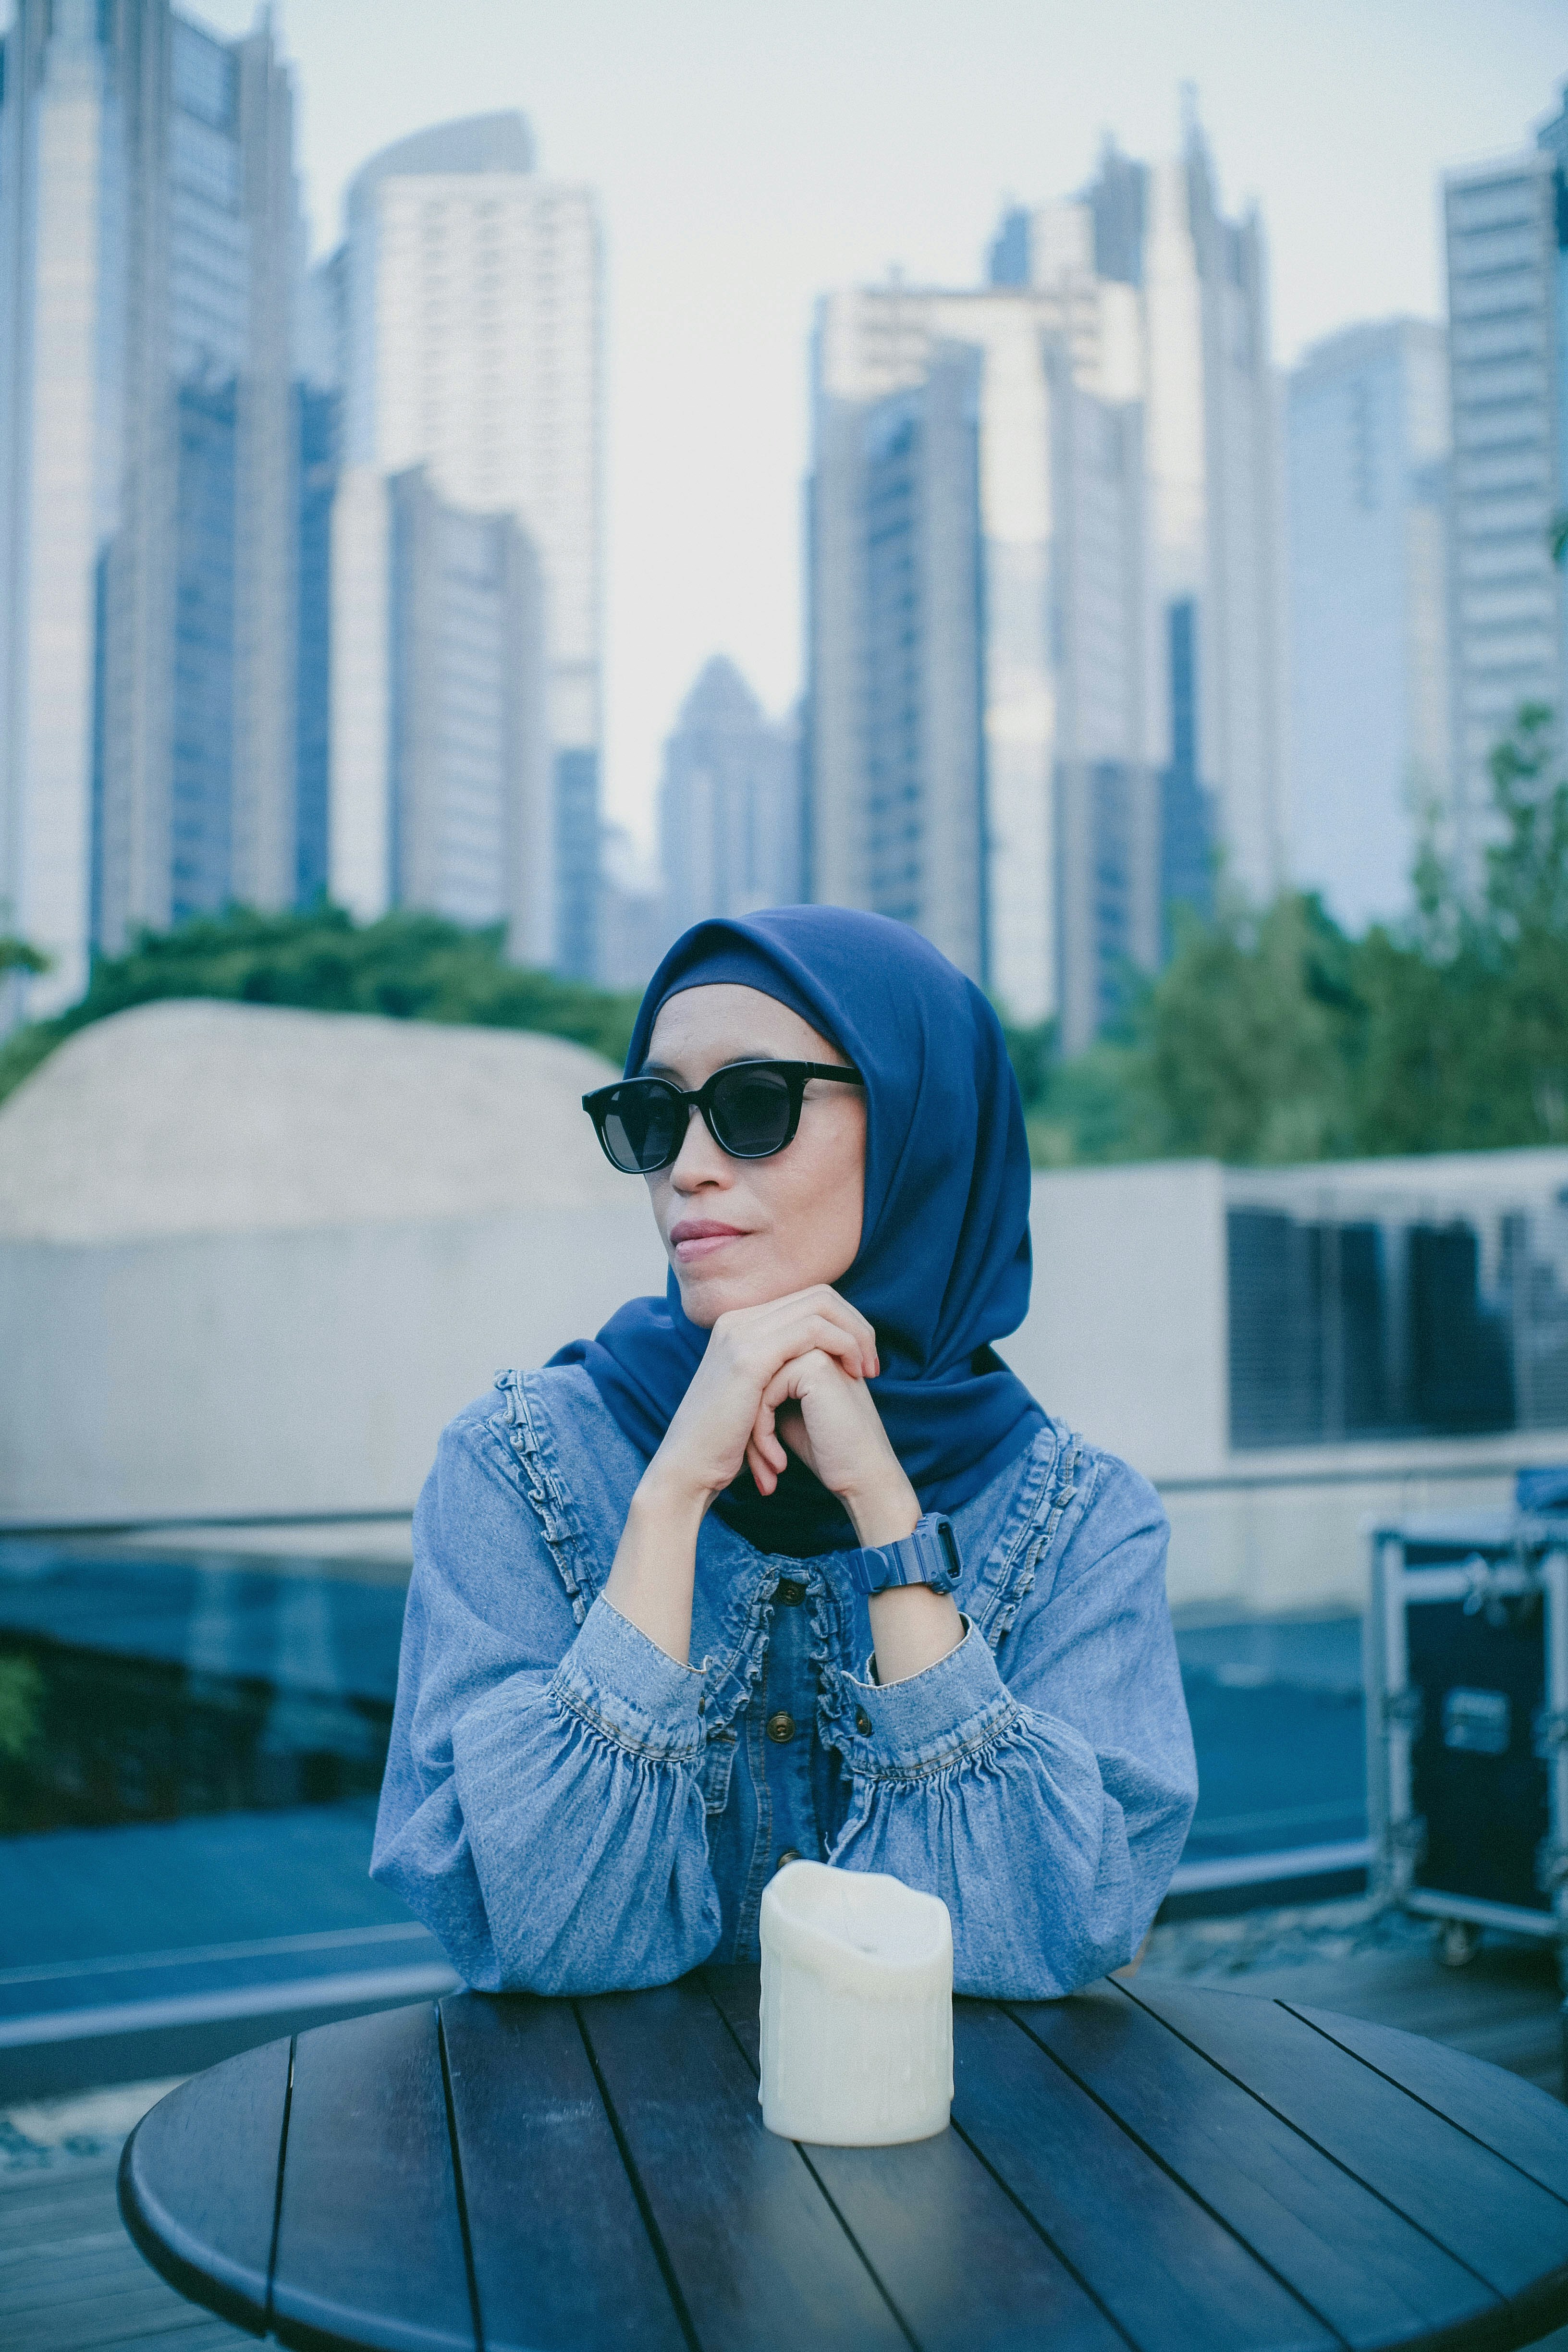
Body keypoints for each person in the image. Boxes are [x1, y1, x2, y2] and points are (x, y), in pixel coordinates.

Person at [371, 907, 1196, 1998]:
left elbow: (1035, 1942)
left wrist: (884, 1512)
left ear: (920, 1128)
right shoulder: (515, 1466)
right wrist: (671, 1497)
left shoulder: (1086, 1520)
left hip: (978, 2159)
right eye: (654, 1117)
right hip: (595, 2156)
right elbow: (548, 1939)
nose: (691, 1169)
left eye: (754, 1105)